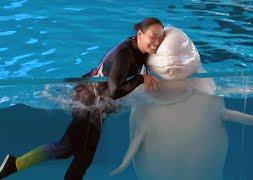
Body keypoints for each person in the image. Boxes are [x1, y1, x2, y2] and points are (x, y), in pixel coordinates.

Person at [0, 17, 164, 180]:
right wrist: (140, 79)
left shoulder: (137, 48)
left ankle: (14, 164)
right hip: (90, 100)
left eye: (161, 37)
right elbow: (114, 92)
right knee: (84, 156)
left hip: (90, 95)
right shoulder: (124, 55)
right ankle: (14, 164)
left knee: (66, 148)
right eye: (153, 36)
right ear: (140, 34)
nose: (157, 41)